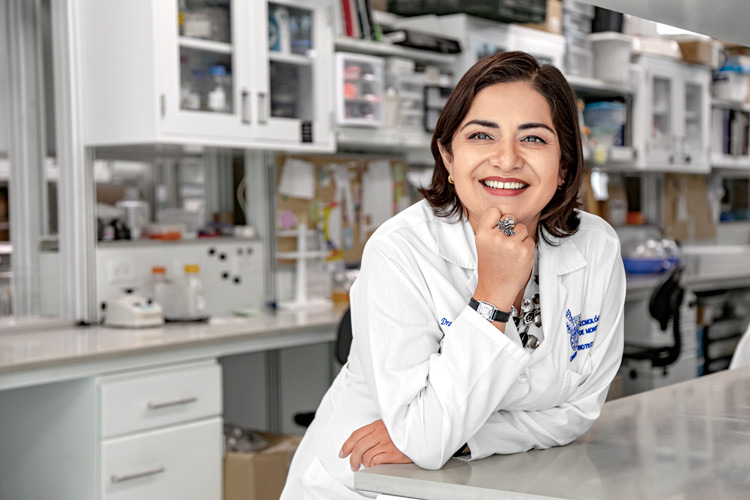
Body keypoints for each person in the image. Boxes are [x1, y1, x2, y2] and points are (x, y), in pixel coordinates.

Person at [281, 51, 625, 499]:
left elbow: (578, 412)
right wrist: (494, 295)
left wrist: (465, 439)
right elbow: (422, 440)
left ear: (562, 166)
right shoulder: (400, 251)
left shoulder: (596, 247)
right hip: (367, 485)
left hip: (489, 480)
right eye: (482, 135)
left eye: (534, 140)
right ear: (448, 155)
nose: (506, 159)